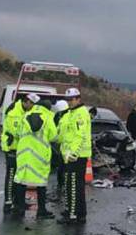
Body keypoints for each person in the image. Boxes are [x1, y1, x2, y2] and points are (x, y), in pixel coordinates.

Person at [10, 93, 57, 219]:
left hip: (24, 154)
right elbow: (53, 136)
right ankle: (41, 210)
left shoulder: (25, 116)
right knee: (41, 183)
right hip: (40, 155)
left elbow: (18, 132)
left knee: (21, 180)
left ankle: (19, 208)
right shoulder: (48, 118)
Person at [56, 88, 91, 224]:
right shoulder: (70, 113)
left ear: (78, 99)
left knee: (73, 185)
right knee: (76, 184)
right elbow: (63, 134)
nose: (69, 102)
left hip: (76, 156)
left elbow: (79, 135)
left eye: (72, 99)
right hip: (68, 154)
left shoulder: (80, 113)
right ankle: (79, 213)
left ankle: (72, 215)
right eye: (68, 100)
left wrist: (73, 153)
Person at [0, 97, 25, 214]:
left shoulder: (20, 110)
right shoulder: (15, 113)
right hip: (12, 148)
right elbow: (17, 132)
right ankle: (8, 202)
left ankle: (17, 201)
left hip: (19, 148)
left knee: (18, 177)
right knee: (11, 175)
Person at [49, 99, 69, 200]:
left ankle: (65, 186)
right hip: (62, 147)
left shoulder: (68, 117)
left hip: (68, 148)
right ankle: (61, 185)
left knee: (65, 169)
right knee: (61, 168)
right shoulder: (58, 116)